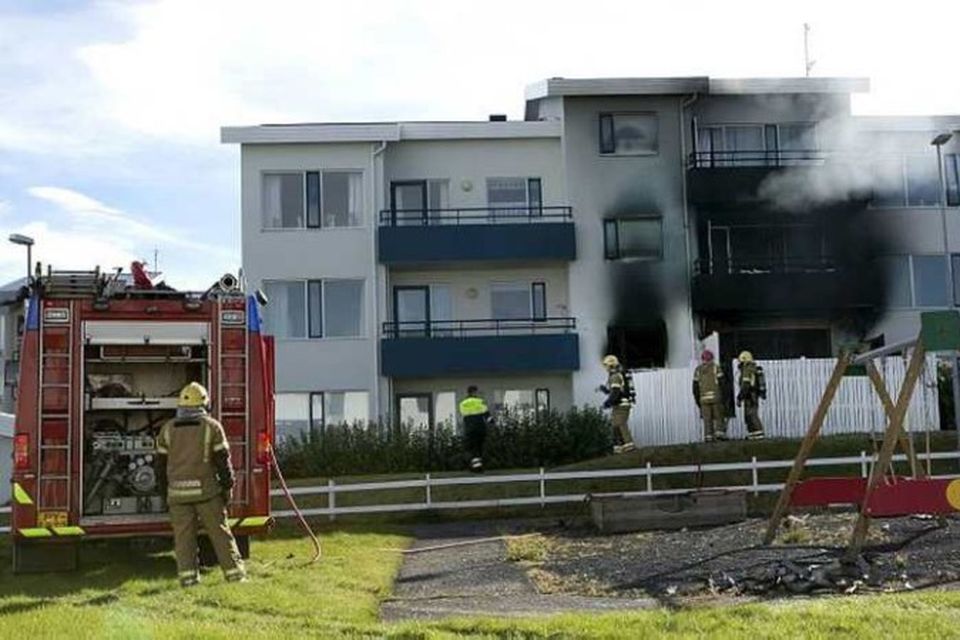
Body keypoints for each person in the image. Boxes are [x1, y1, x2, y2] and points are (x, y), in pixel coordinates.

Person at [156, 382, 246, 587]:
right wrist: (227, 488)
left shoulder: (167, 430)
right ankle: (235, 576)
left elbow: (159, 468)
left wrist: (165, 494)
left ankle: (188, 580)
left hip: (177, 495)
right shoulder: (212, 427)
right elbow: (223, 462)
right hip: (207, 493)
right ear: (204, 404)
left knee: (183, 539)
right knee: (221, 535)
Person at [598, 354, 636, 453]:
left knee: (620, 424)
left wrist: (607, 403)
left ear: (610, 365)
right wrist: (605, 390)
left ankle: (628, 445)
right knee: (615, 425)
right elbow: (615, 391)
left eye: (606, 365)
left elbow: (615, 392)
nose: (605, 368)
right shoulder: (618, 375)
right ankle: (619, 446)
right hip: (619, 404)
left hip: (621, 405)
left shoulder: (615, 376)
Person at [693, 349, 726, 442]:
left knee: (707, 419)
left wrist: (697, 400)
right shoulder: (716, 368)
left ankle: (708, 437)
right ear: (712, 358)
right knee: (718, 416)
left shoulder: (698, 370)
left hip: (703, 399)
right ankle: (719, 434)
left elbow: (695, 387)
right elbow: (722, 383)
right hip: (716, 397)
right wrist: (724, 396)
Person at [459, 386, 491, 472]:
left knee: (470, 449)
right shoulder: (480, 402)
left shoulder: (463, 403)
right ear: (474, 392)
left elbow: (463, 415)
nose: (478, 394)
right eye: (477, 392)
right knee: (479, 448)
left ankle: (474, 466)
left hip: (469, 429)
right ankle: (478, 467)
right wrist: (492, 423)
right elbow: (487, 416)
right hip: (481, 429)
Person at [736, 351, 766, 440]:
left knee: (751, 414)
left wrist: (739, 397)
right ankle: (753, 433)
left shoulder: (747, 369)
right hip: (752, 394)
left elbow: (746, 384)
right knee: (749, 415)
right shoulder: (753, 368)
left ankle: (758, 432)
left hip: (750, 394)